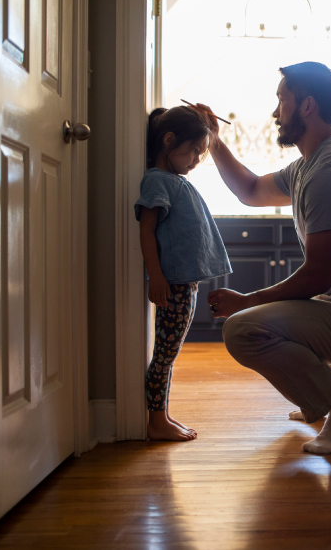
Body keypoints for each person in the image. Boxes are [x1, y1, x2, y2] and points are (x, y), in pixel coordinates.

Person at [200, 61, 331, 454]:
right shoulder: (306, 167)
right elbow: (249, 190)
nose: (276, 113)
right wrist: (213, 139)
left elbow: (316, 278)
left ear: (307, 106)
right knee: (253, 323)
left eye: (282, 100)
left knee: (242, 329)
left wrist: (246, 301)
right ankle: (320, 398)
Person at [135, 106, 232, 441]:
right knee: (165, 354)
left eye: (201, 154)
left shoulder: (171, 180)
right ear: (169, 140)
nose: (196, 159)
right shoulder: (157, 181)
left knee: (168, 353)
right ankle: (155, 421)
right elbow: (147, 231)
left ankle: (162, 415)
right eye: (194, 150)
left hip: (182, 283)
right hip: (173, 284)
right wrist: (156, 276)